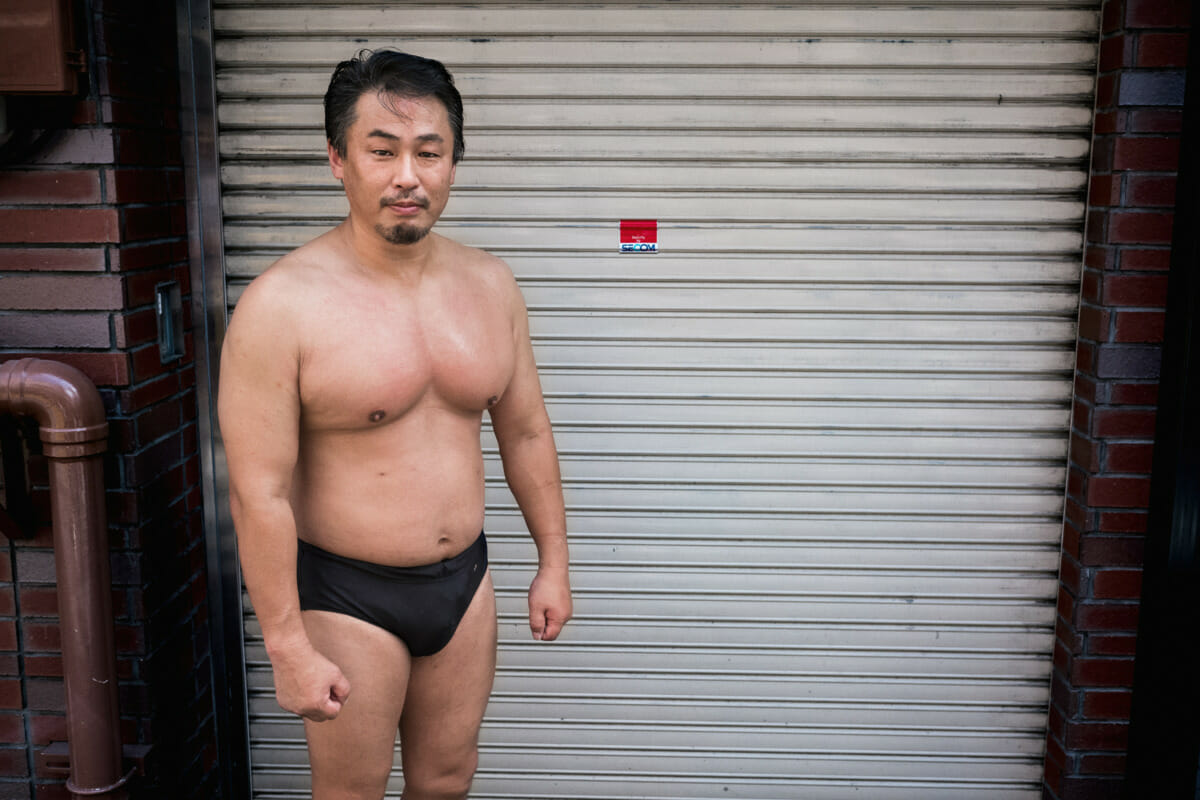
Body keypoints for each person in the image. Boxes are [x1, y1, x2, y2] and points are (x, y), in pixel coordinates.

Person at [217, 49, 572, 800]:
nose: (406, 175)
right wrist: (284, 645)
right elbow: (259, 493)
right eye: (382, 151)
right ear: (338, 160)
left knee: (448, 779)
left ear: (453, 162)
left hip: (464, 582)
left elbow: (527, 431)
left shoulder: (490, 285)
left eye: (428, 151)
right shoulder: (282, 305)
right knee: (353, 792)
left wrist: (554, 560)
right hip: (346, 592)